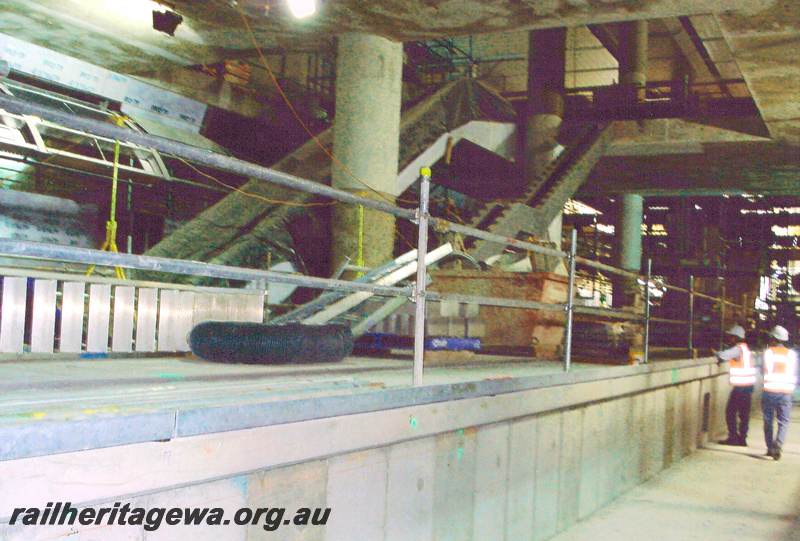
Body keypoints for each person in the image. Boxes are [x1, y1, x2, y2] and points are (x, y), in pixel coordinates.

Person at [761, 325, 798, 461]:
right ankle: (778, 445)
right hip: (786, 392)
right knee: (784, 421)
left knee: (768, 420)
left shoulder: (768, 352)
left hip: (770, 391)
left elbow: (765, 369)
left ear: (774, 339)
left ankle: (770, 448)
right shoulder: (792, 354)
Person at [716, 325, 755, 446]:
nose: (730, 338)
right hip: (748, 386)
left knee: (730, 411)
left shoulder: (738, 349)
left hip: (740, 387)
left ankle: (733, 437)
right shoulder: (745, 348)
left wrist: (717, 352)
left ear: (736, 337)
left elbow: (722, 356)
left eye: (731, 336)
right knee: (744, 414)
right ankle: (742, 439)